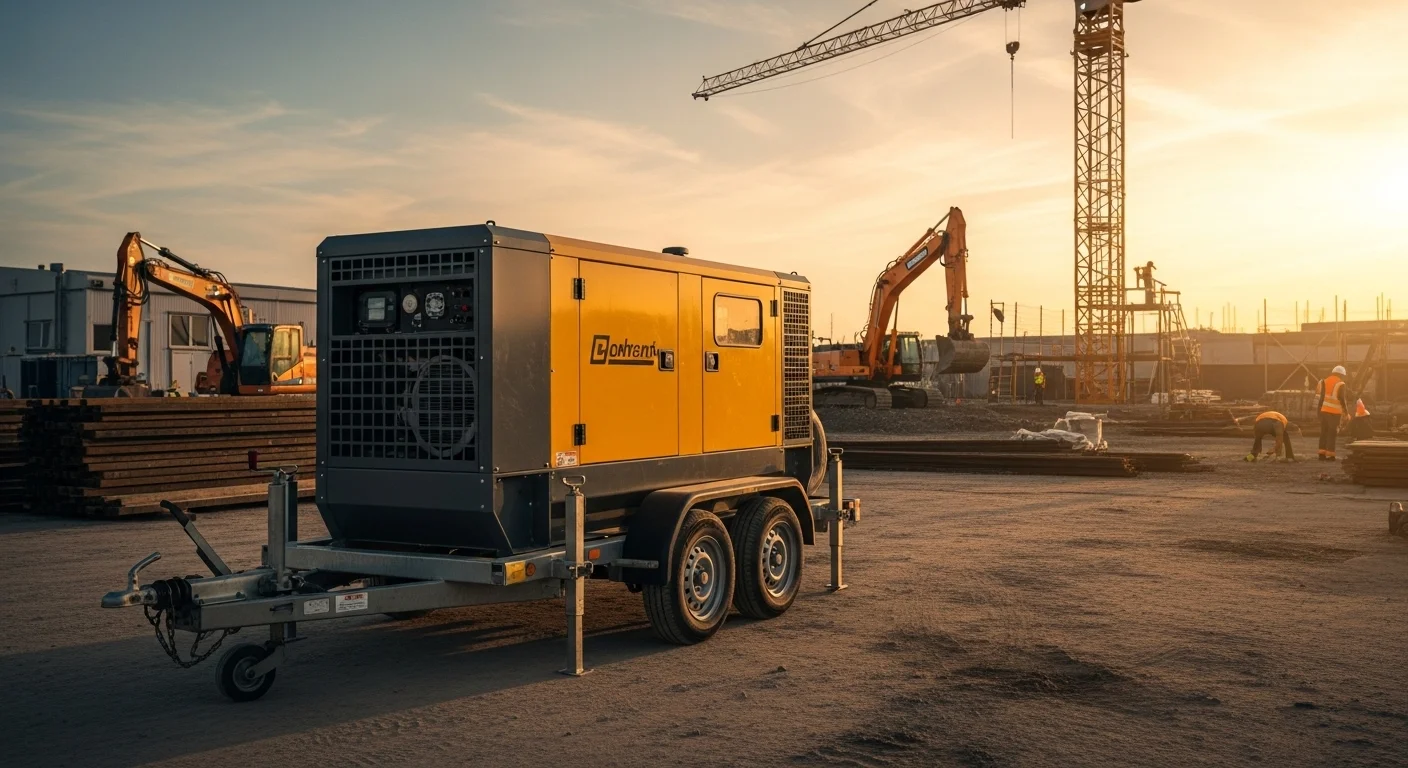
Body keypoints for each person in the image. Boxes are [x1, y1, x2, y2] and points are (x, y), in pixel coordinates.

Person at [1315, 365, 1351, 460]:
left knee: (1323, 433)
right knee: (1332, 433)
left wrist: (1319, 411)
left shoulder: (1324, 381)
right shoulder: (1340, 383)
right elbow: (1342, 399)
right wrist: (1346, 412)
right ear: (1342, 375)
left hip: (1323, 411)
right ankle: (1330, 455)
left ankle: (1321, 454)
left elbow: (1321, 397)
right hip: (1334, 413)